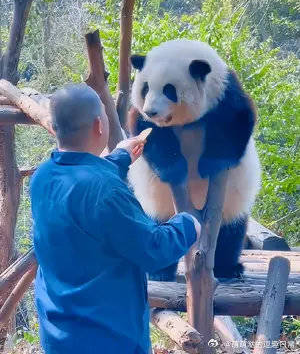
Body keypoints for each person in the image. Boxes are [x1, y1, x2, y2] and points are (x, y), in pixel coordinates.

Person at [31, 84, 200, 354]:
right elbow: (154, 249)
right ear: (100, 125)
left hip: (59, 334)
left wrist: (120, 157)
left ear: (55, 126)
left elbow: (82, 183)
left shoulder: (43, 175)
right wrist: (189, 223)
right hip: (108, 337)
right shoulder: (106, 192)